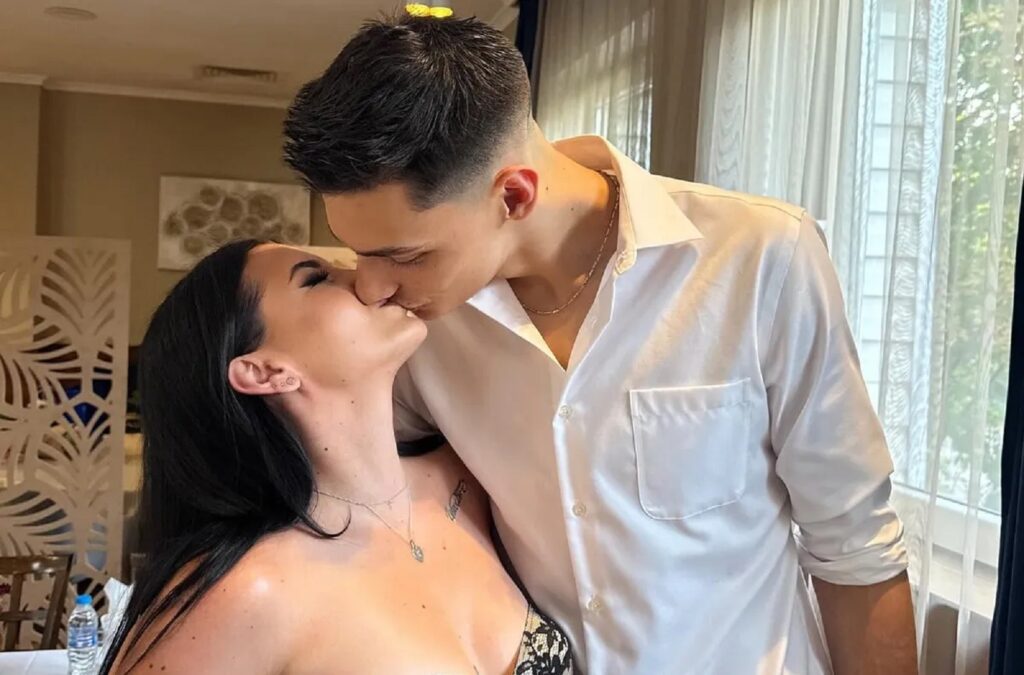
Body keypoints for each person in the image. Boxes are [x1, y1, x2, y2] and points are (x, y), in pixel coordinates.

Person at [282, 11, 918, 675]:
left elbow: (855, 544)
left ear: (515, 195)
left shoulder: (759, 258)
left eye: (404, 255)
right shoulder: (414, 330)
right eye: (360, 252)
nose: (372, 286)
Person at [101, 240, 574, 674]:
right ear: (265, 371)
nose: (367, 281)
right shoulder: (249, 591)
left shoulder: (467, 481)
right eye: (317, 278)